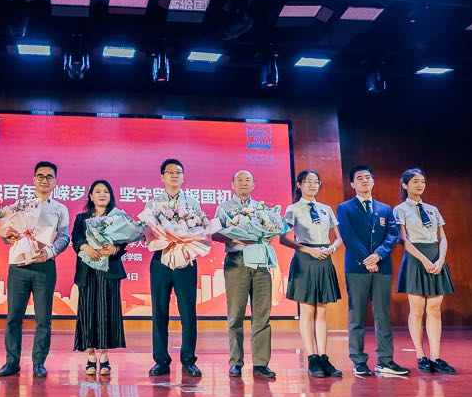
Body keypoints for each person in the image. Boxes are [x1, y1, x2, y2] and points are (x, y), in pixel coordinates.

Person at [0, 161, 70, 378]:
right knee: (14, 317)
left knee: (43, 319)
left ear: (55, 182)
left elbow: (64, 237)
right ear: (33, 179)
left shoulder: (60, 209)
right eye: (40, 176)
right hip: (18, 266)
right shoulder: (20, 206)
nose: (44, 180)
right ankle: (12, 362)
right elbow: (7, 234)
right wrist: (7, 237)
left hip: (44, 266)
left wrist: (50, 252)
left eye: (49, 177)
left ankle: (39, 363)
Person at [337, 165, 409, 376]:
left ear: (373, 181)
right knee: (356, 315)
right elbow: (348, 236)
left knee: (382, 315)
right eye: (359, 178)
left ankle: (385, 360)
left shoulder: (385, 209)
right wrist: (367, 260)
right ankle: (358, 361)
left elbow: (392, 235)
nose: (364, 180)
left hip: (382, 267)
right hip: (356, 268)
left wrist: (378, 255)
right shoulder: (344, 208)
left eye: (368, 177)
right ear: (352, 184)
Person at [279, 170, 343, 378]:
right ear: (299, 184)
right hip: (305, 259)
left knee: (322, 311)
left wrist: (331, 248)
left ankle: (324, 357)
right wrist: (307, 250)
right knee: (307, 311)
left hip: (324, 258)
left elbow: (339, 238)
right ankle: (312, 358)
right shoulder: (293, 209)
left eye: (316, 182)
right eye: (308, 181)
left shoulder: (326, 209)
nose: (313, 185)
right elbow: (283, 238)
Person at [145, 159, 205, 378]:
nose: (174, 176)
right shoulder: (153, 204)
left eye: (178, 172)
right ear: (162, 177)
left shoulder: (192, 204)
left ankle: (188, 359)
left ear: (183, 177)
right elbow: (147, 231)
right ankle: (161, 360)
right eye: (170, 172)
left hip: (185, 261)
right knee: (159, 311)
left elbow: (201, 229)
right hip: (161, 260)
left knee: (188, 312)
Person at [212, 170, 275, 379]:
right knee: (235, 314)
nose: (244, 183)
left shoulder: (262, 209)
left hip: (260, 262)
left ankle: (261, 363)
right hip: (236, 261)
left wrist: (268, 236)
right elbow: (215, 234)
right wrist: (236, 240)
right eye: (239, 180)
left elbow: (272, 231)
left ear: (254, 185)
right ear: (232, 185)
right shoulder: (224, 208)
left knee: (262, 314)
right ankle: (235, 362)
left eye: (248, 180)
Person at [394, 168, 456, 374]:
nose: (420, 185)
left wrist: (440, 259)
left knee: (435, 308)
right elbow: (403, 240)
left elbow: (443, 238)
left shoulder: (432, 209)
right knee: (417, 309)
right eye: (415, 181)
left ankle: (436, 357)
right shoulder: (400, 209)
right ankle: (421, 356)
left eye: (422, 181)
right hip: (415, 259)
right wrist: (424, 260)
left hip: (435, 257)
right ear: (405, 185)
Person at [72, 180, 127, 376]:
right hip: (88, 269)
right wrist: (85, 247)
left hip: (109, 269)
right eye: (98, 191)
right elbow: (76, 238)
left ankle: (104, 356)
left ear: (110, 196)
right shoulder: (81, 218)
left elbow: (124, 242)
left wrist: (115, 249)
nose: (102, 194)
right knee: (88, 312)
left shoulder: (118, 218)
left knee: (106, 311)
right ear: (91, 196)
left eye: (106, 191)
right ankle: (91, 356)